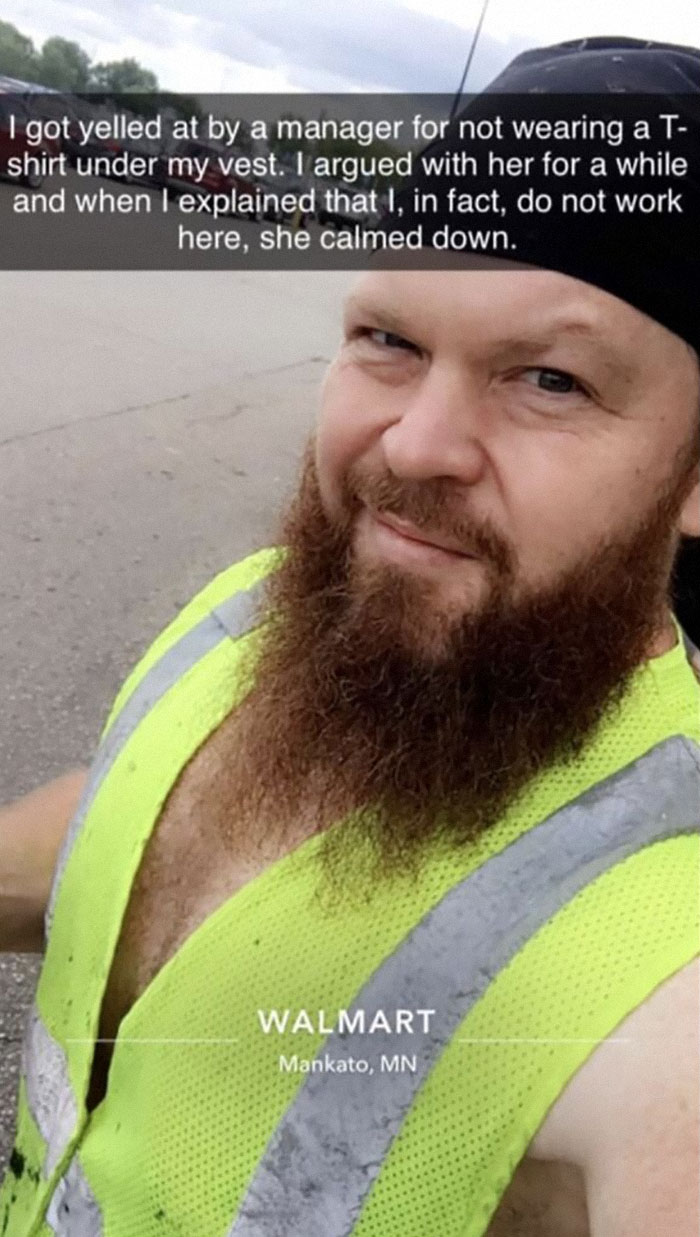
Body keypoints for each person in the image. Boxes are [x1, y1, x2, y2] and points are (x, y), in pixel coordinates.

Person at [1, 37, 699, 1237]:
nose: (414, 445)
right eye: (389, 337)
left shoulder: (663, 936)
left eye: (548, 379)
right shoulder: (259, 606)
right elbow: (130, 824)